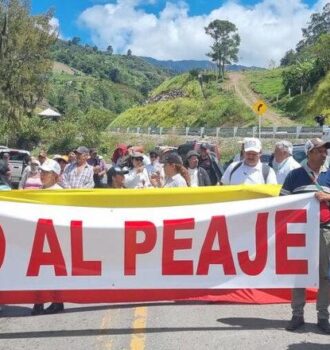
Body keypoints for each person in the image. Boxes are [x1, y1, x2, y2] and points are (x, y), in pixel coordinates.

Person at [281, 138, 330, 334]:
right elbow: (282, 204)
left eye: (325, 151)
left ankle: (323, 316)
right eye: (319, 151)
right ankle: (297, 315)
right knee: (299, 275)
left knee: (326, 275)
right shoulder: (295, 176)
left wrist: (328, 197)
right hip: (300, 232)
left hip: (325, 230)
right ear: (309, 153)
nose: (324, 154)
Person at [31, 159, 64, 315]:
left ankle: (57, 301)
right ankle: (38, 302)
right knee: (39, 272)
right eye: (42, 172)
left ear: (55, 176)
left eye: (46, 172)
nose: (42, 175)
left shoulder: (59, 193)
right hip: (40, 237)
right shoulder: (39, 191)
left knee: (53, 271)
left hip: (54, 239)